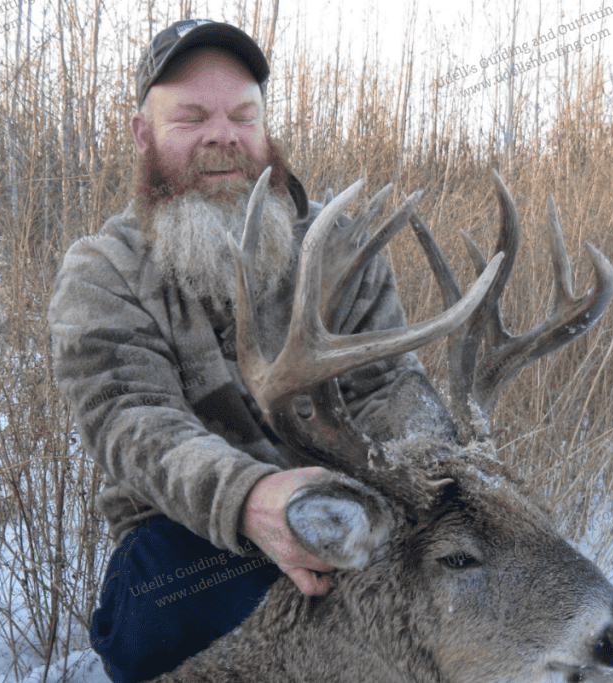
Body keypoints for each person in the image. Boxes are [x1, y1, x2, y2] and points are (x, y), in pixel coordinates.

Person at [47, 19, 433, 683]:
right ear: (144, 134)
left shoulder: (338, 249)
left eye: (242, 114)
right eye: (191, 117)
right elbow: (131, 421)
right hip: (200, 531)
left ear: (264, 125)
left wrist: (429, 461)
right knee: (154, 620)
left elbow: (392, 388)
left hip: (354, 506)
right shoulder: (103, 271)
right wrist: (251, 497)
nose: (222, 135)